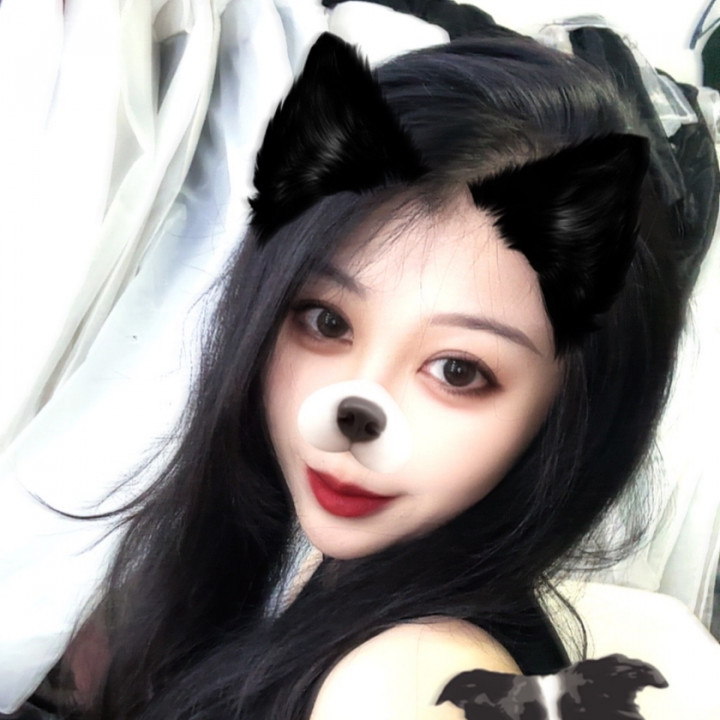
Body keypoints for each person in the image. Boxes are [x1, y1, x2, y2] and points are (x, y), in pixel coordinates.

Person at [50, 30, 683, 719]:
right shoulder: (345, 562)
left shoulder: (404, 683)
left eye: (457, 370)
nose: (355, 411)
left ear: (567, 414)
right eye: (326, 322)